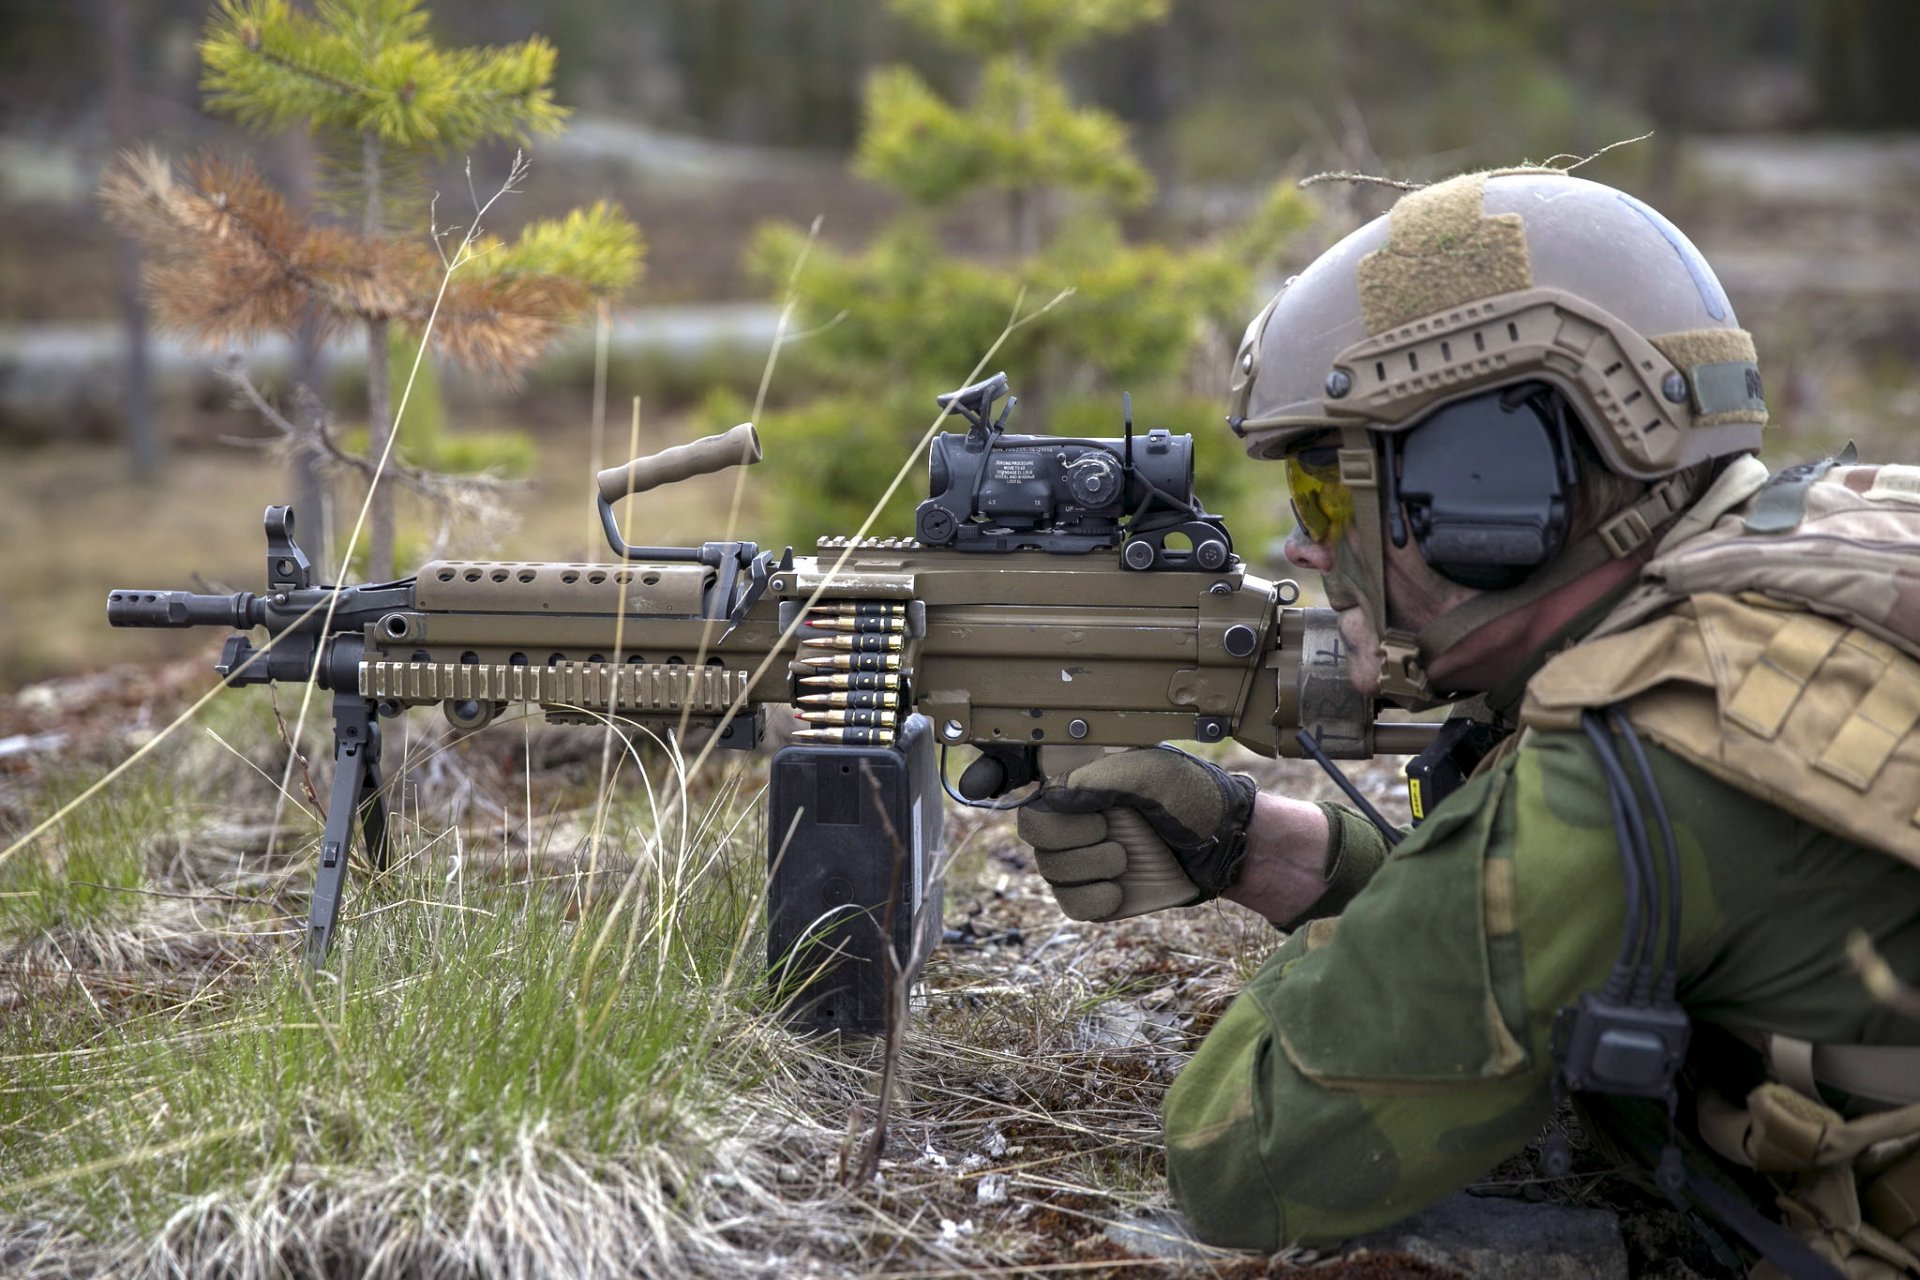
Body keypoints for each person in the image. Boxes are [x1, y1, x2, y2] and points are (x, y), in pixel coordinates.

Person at [1017, 170, 1920, 1279]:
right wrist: (1271, 850)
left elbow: (1244, 1150)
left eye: (1327, 497)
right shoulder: (1840, 535)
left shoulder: (1640, 755)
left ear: (1491, 492)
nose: (1306, 549)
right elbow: (1594, 921)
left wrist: (1362, 948)